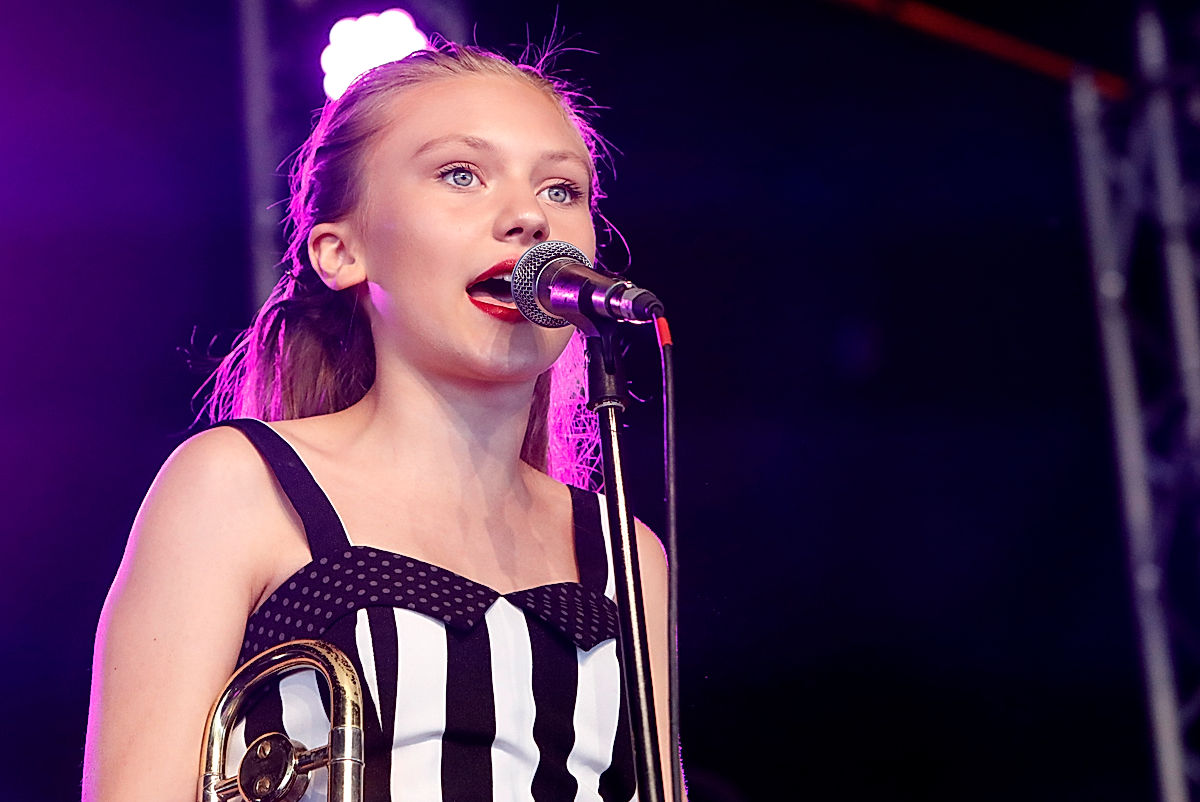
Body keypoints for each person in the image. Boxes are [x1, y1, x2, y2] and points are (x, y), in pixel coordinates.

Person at [82, 43, 676, 801]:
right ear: (342, 251)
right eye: (461, 174)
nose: (530, 216)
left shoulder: (626, 554)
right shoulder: (238, 487)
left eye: (561, 188)